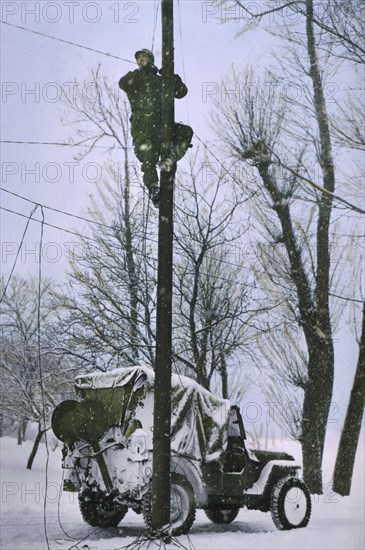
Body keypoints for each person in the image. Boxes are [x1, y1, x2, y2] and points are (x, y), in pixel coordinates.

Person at [119, 49, 193, 207]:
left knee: (185, 131)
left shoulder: (160, 81)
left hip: (162, 125)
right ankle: (154, 189)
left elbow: (181, 92)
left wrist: (170, 76)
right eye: (138, 58)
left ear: (151, 59)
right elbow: (123, 83)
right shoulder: (136, 80)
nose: (140, 60)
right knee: (148, 158)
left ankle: (170, 159)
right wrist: (142, 72)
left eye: (143, 57)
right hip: (143, 125)